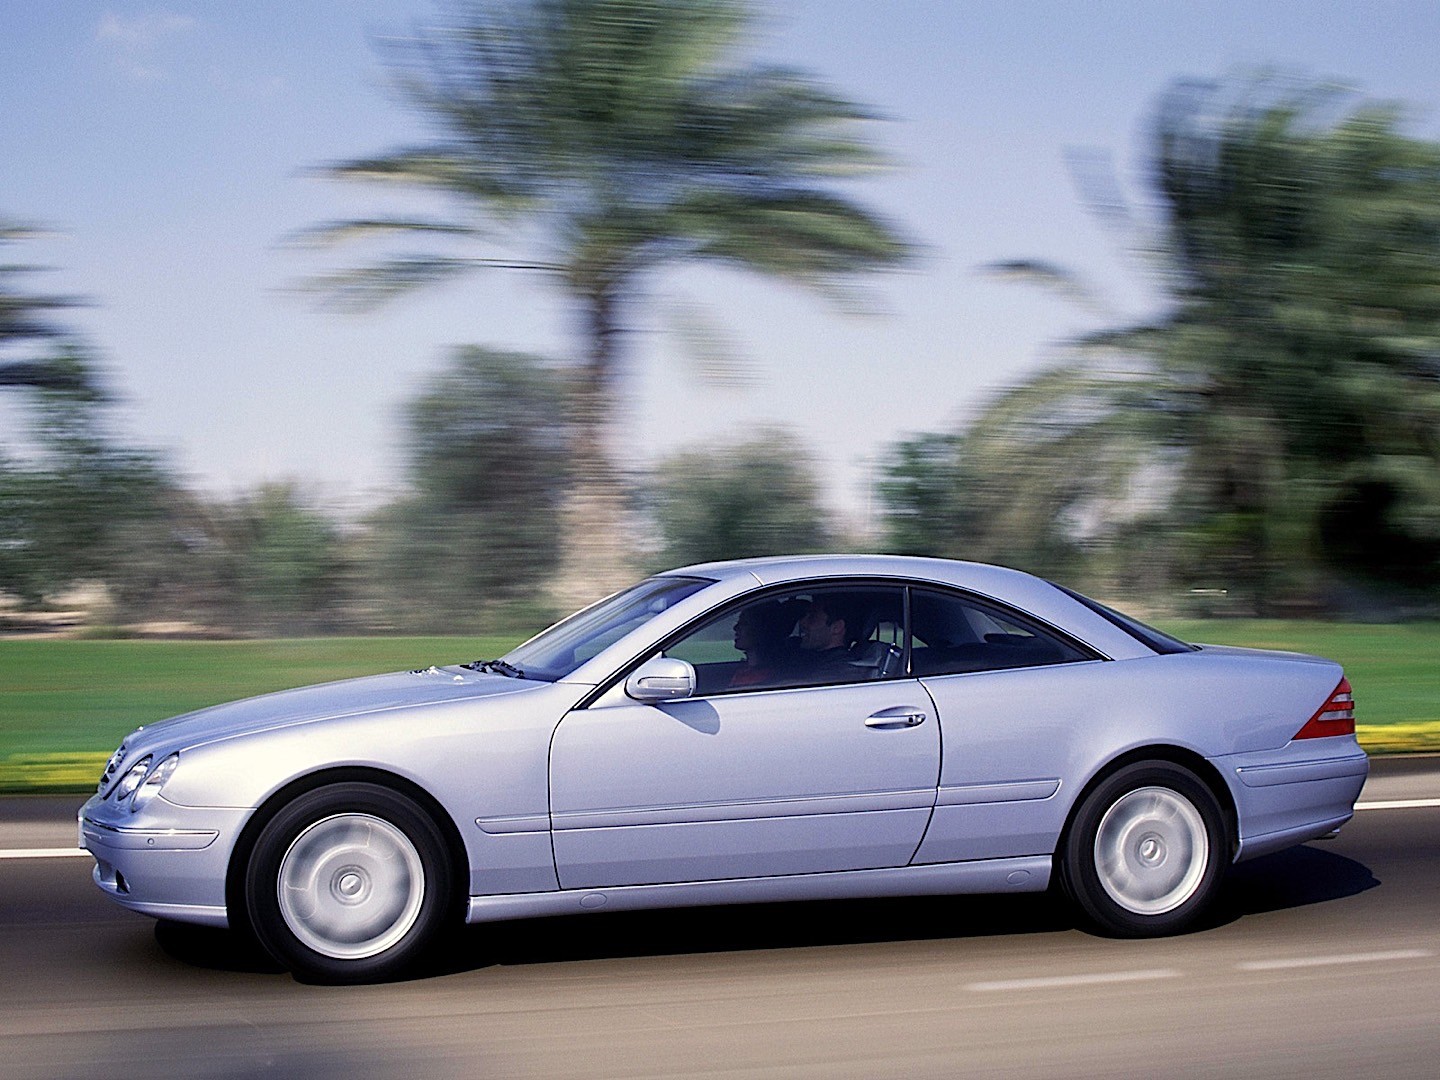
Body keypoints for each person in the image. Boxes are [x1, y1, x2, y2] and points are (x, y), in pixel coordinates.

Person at [790, 593, 867, 683]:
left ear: (836, 628)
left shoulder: (841, 670)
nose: (802, 623)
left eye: (812, 617)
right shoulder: (803, 654)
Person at [728, 599, 802, 688]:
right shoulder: (748, 670)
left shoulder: (763, 678)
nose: (735, 628)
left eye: (744, 623)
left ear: (762, 629)